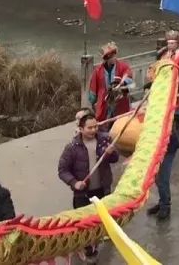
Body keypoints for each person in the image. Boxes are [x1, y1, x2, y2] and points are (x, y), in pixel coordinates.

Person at [58, 111, 118, 264]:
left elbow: (115, 158)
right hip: (82, 193)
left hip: (102, 189)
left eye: (95, 127)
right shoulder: (72, 147)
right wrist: (74, 182)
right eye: (89, 128)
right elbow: (62, 170)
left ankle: (94, 247)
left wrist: (111, 153)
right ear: (81, 128)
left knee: (99, 221)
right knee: (84, 223)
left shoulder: (105, 140)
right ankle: (87, 249)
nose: (93, 130)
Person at [150, 31, 179, 129]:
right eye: (169, 43)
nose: (170, 45)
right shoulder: (165, 54)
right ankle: (171, 118)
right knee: (168, 103)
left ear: (177, 44)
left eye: (172, 43)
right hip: (167, 84)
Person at [88, 42, 133, 123]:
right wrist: (93, 100)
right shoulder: (98, 71)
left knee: (120, 122)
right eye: (110, 57)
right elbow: (93, 88)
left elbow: (129, 78)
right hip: (104, 101)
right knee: (104, 124)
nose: (113, 58)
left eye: (113, 56)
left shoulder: (123, 66)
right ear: (105, 58)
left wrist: (122, 85)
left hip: (120, 99)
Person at [146, 116, 179, 220]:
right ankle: (163, 201)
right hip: (156, 147)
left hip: (167, 148)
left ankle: (165, 206)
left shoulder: (164, 109)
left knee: (162, 179)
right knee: (157, 178)